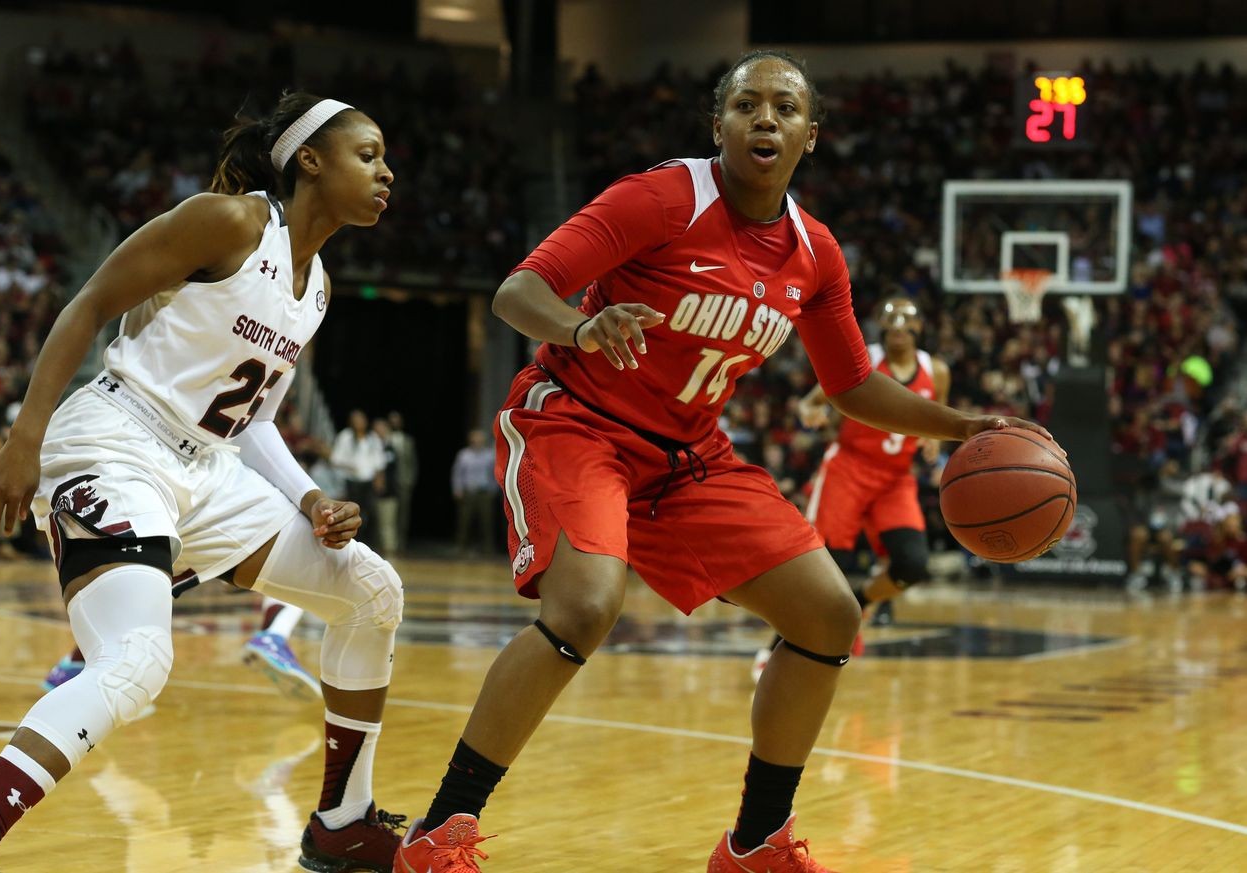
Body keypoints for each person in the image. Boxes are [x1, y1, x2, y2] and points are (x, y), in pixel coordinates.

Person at [393, 51, 1052, 873]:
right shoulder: (662, 197)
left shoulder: (816, 253)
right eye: (746, 105)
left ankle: (755, 843)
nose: (765, 118)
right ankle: (440, 833)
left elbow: (851, 383)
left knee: (829, 615)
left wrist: (960, 425)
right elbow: (519, 291)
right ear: (719, 125)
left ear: (812, 135)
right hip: (578, 423)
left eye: (785, 107)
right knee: (586, 607)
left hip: (686, 457)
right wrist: (579, 327)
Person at [0, 92, 407, 873]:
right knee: (136, 661)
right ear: (311, 162)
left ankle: (341, 821)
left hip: (206, 467)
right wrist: (26, 434)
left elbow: (253, 421)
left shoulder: (316, 286)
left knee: (373, 591)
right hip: (117, 440)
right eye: (370, 154)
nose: (387, 171)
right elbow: (90, 302)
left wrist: (310, 496)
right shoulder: (230, 223)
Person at [753, 297, 948, 679]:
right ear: (881, 327)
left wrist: (933, 439)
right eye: (890, 321)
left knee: (912, 565)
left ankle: (858, 607)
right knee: (826, 571)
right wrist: (813, 412)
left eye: (906, 322)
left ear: (918, 328)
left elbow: (934, 410)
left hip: (895, 478)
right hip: (849, 470)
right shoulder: (864, 357)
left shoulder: (935, 370)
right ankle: (770, 647)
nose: (898, 328)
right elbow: (815, 399)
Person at [43, 591, 324, 703]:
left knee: (148, 589)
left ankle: (75, 663)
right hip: (191, 493)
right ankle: (274, 636)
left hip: (157, 501)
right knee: (301, 546)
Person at [329, 408, 383, 547]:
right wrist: (349, 466)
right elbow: (335, 459)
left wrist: (379, 479)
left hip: (368, 481)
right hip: (351, 481)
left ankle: (368, 544)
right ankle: (352, 542)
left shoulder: (372, 438)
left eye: (361, 419)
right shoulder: (345, 436)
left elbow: (378, 461)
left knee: (369, 513)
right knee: (351, 512)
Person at [451, 429, 497, 556]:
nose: (477, 441)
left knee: (486, 522)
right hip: (468, 492)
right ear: (471, 440)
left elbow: (494, 473)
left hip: (484, 492)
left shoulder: (489, 455)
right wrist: (457, 488)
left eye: (479, 438)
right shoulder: (463, 454)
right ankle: (460, 547)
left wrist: (493, 489)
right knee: (464, 521)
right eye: (475, 438)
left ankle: (488, 548)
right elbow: (457, 473)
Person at [387, 411, 418, 554]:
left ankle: (401, 544)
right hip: (388, 484)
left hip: (403, 482)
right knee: (387, 515)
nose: (394, 423)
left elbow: (413, 463)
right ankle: (387, 543)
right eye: (392, 421)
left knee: (403, 515)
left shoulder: (407, 441)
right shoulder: (384, 438)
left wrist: (409, 481)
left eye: (397, 420)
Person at [371, 417, 400, 558]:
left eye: (381, 429)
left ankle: (390, 554)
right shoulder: (371, 448)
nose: (378, 433)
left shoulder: (390, 448)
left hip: (389, 493)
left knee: (387, 524)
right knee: (373, 525)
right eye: (376, 430)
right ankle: (376, 553)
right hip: (370, 493)